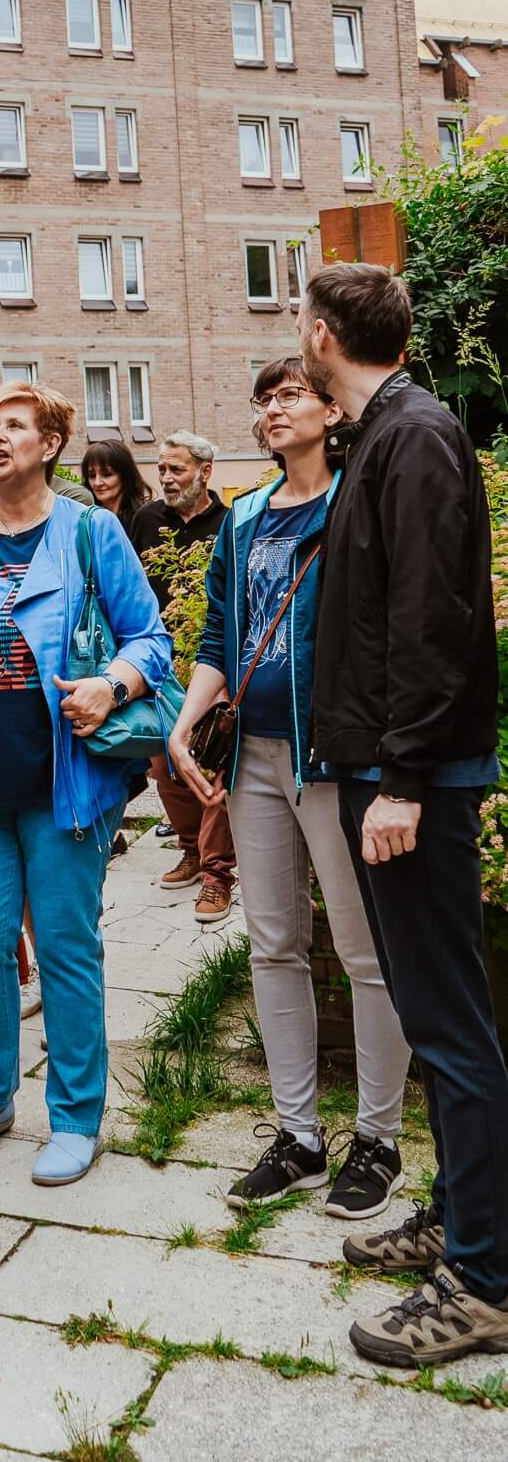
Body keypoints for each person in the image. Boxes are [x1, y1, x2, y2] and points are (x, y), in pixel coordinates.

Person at [298, 263, 508, 1369]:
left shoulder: (412, 434)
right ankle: (469, 1220)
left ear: (324, 334)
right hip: (392, 765)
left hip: (412, 776)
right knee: (438, 1022)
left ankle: (484, 1279)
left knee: (453, 1026)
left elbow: (432, 617)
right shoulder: (384, 431)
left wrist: (406, 779)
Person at [168, 358, 409, 1220]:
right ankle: (298, 1134)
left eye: (290, 394)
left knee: (362, 952)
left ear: (327, 410)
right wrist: (184, 720)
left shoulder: (357, 503)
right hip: (254, 758)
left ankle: (376, 1141)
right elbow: (222, 632)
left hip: (334, 760)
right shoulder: (239, 520)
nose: (273, 409)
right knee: (272, 945)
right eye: (263, 398)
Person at [0, 383, 170, 1186]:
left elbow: (150, 637)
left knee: (66, 949)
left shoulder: (89, 532)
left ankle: (74, 1117)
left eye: (15, 428)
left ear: (49, 445)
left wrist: (113, 683)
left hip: (64, 781)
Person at [130, 432, 234, 920]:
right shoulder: (147, 520)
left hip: (210, 663)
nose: (166, 479)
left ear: (205, 472)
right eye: (162, 469)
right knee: (163, 767)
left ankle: (217, 875)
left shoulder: (232, 523)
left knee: (212, 765)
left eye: (177, 470)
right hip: (156, 665)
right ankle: (191, 849)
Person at [81, 439, 151, 533]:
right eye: (92, 475)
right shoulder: (86, 519)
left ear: (125, 475)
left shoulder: (144, 518)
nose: (97, 483)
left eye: (107, 474)